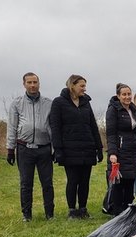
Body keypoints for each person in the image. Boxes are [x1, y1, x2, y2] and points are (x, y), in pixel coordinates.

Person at [49, 74, 103, 219]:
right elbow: (55, 127)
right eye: (82, 86)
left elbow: (92, 125)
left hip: (87, 147)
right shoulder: (58, 103)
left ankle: (83, 209)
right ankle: (72, 210)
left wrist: (99, 147)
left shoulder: (86, 102)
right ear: (72, 85)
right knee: (73, 180)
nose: (84, 89)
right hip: (69, 149)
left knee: (85, 181)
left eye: (85, 86)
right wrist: (58, 149)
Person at [7, 72, 54, 221]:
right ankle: (26, 214)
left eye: (35, 82)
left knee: (47, 183)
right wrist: (10, 149)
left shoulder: (49, 103)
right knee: (26, 183)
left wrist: (55, 149)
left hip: (44, 148)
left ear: (39, 84)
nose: (32, 85)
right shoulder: (17, 103)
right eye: (29, 82)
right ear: (24, 84)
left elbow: (53, 127)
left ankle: (49, 214)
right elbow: (12, 126)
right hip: (24, 148)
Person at [105, 83, 136, 215]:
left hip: (133, 151)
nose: (127, 97)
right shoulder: (113, 110)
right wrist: (112, 153)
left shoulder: (134, 110)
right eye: (124, 94)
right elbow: (110, 133)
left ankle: (128, 212)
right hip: (120, 151)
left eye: (129, 94)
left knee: (130, 182)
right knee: (119, 184)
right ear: (118, 96)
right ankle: (117, 212)